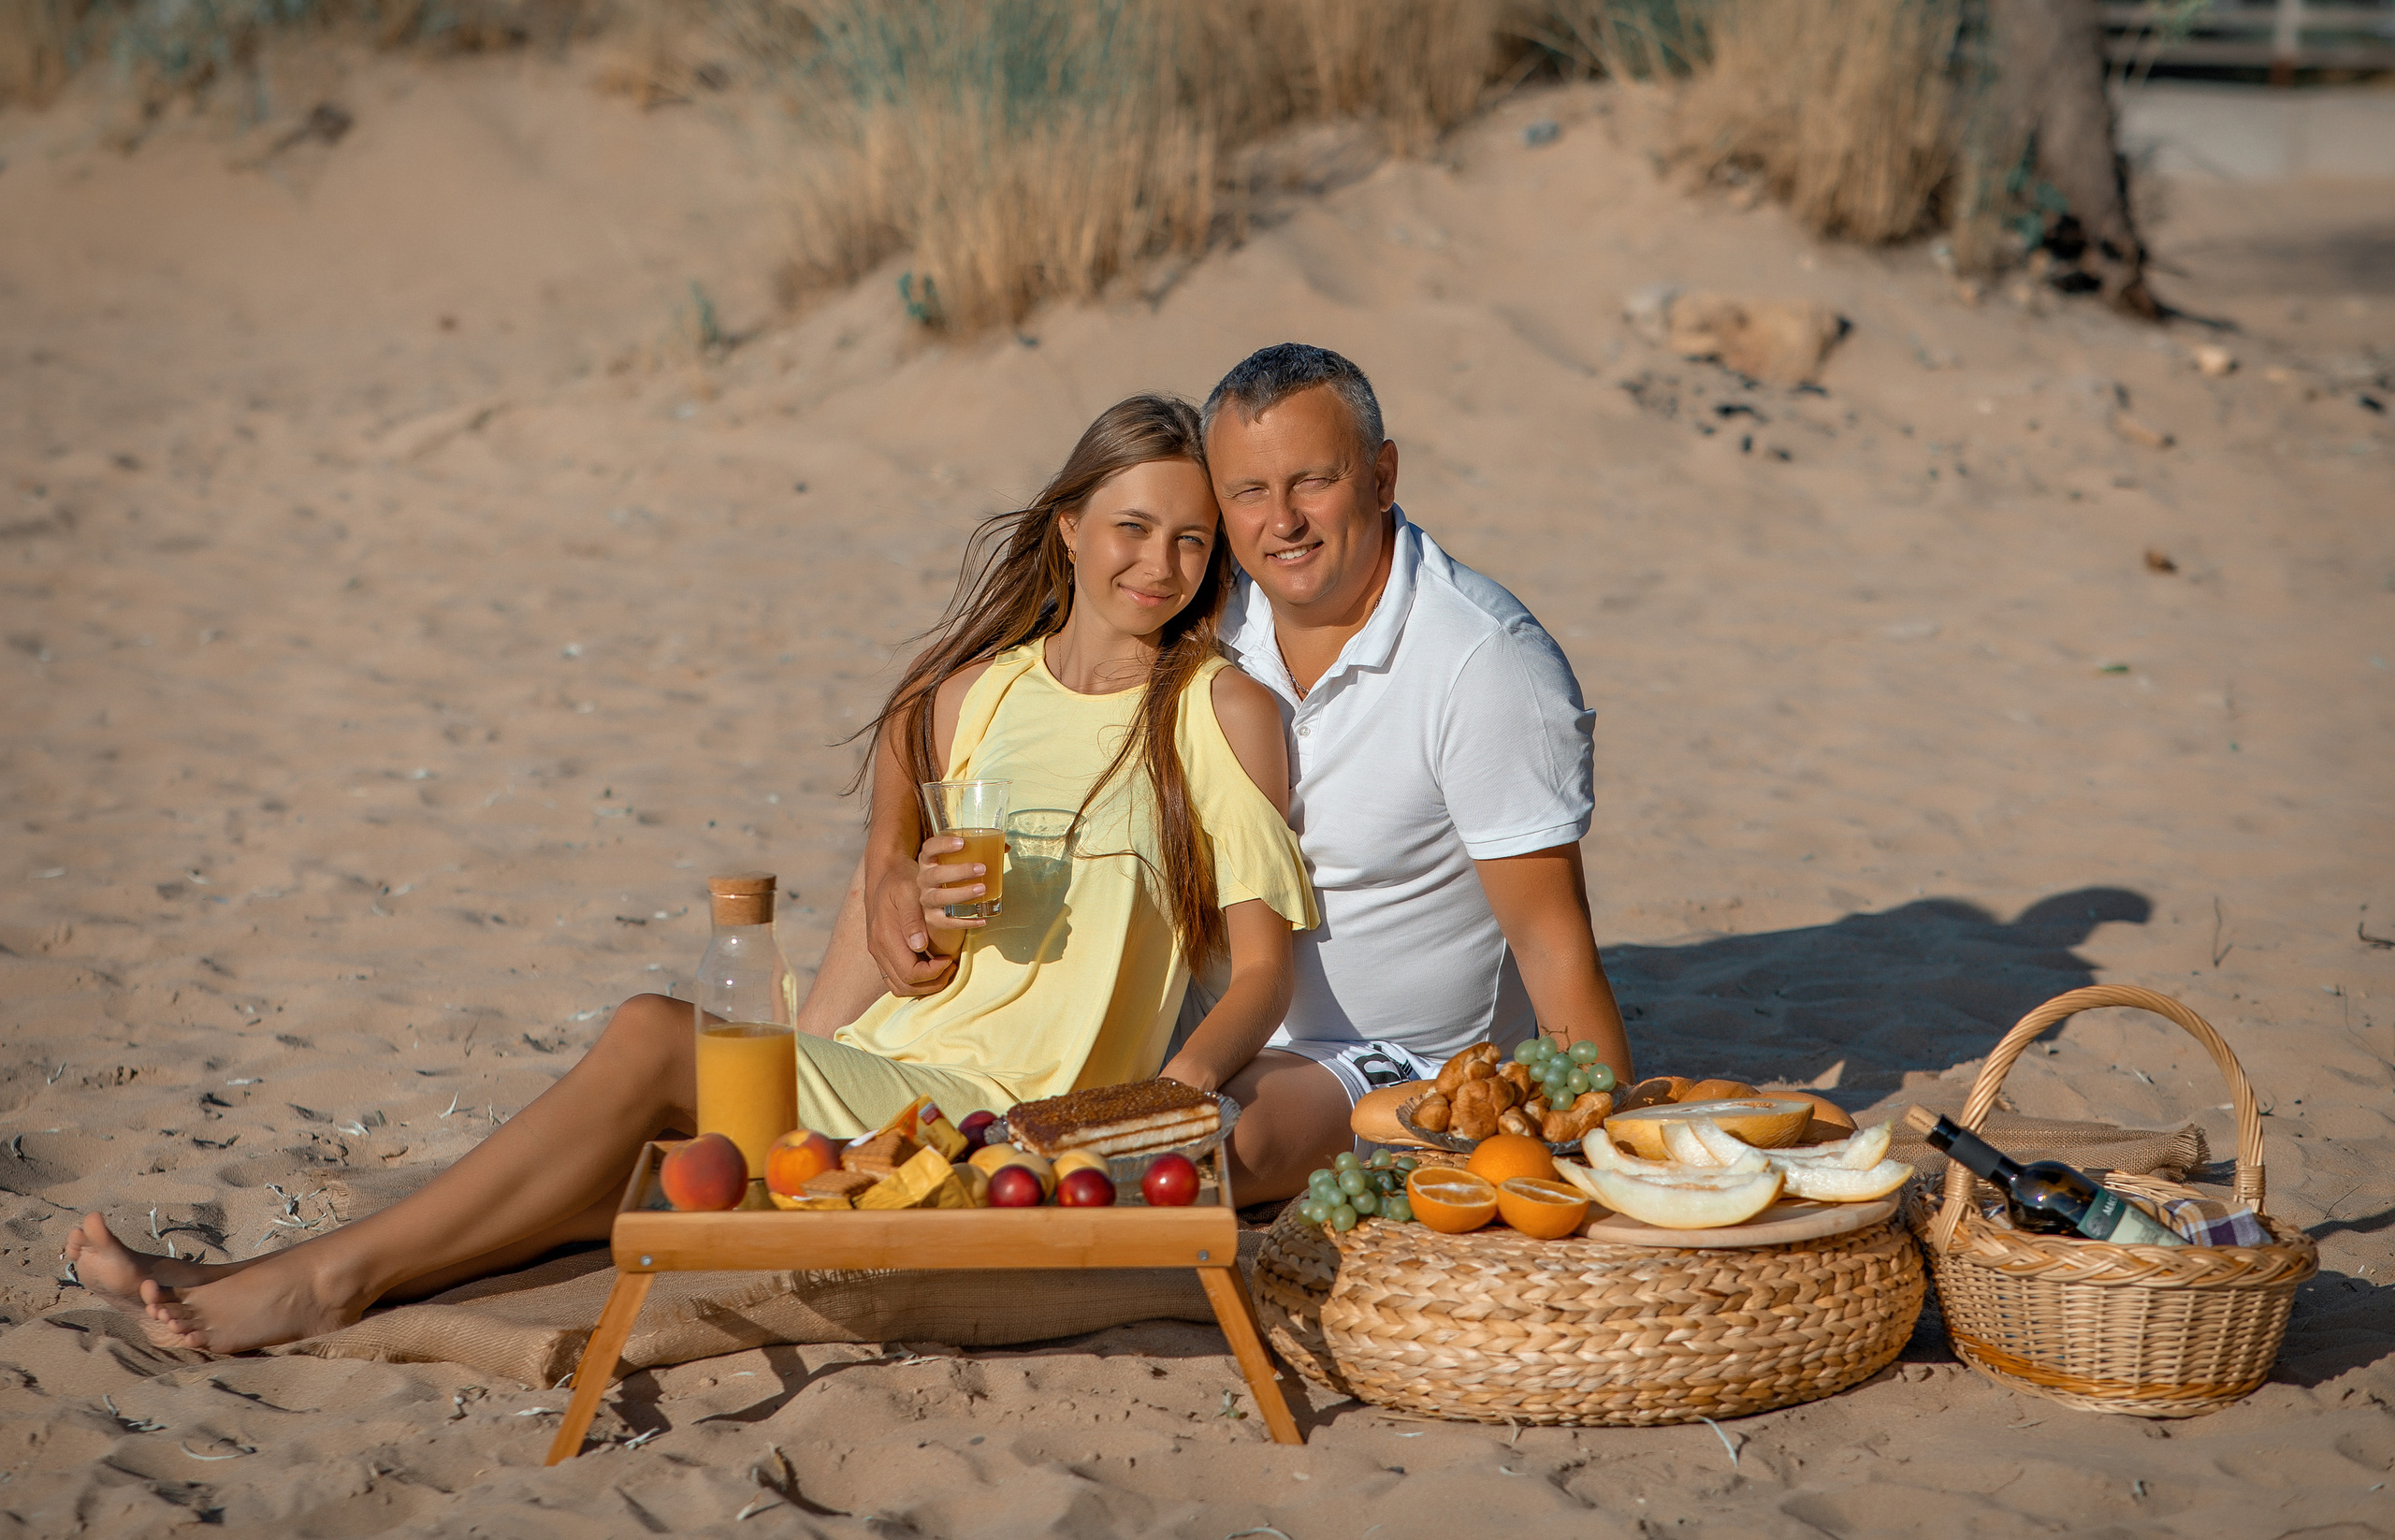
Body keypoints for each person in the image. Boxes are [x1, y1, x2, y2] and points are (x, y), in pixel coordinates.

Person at [65, 395, 1314, 1354]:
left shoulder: (1218, 709)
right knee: (634, 1119)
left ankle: (312, 1280)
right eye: (1131, 528)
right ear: (1070, 526)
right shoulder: (971, 700)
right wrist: (885, 910)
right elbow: (884, 867)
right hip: (902, 1074)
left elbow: (1263, 967)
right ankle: (286, 1275)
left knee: (651, 1045)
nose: (1157, 564)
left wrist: (1172, 1094)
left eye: (1192, 542)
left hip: (1030, 1116)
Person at [831, 344, 1633, 1200]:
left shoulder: (1482, 665)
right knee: (902, 915)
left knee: (1167, 1162)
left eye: (1312, 482)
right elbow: (947, 694)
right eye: (1247, 492)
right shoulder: (1210, 599)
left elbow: (1555, 948)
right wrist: (887, 849)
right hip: (1185, 1020)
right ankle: (806, 1068)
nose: (1280, 522)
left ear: (1383, 476)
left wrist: (1610, 1163)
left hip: (1380, 1059)